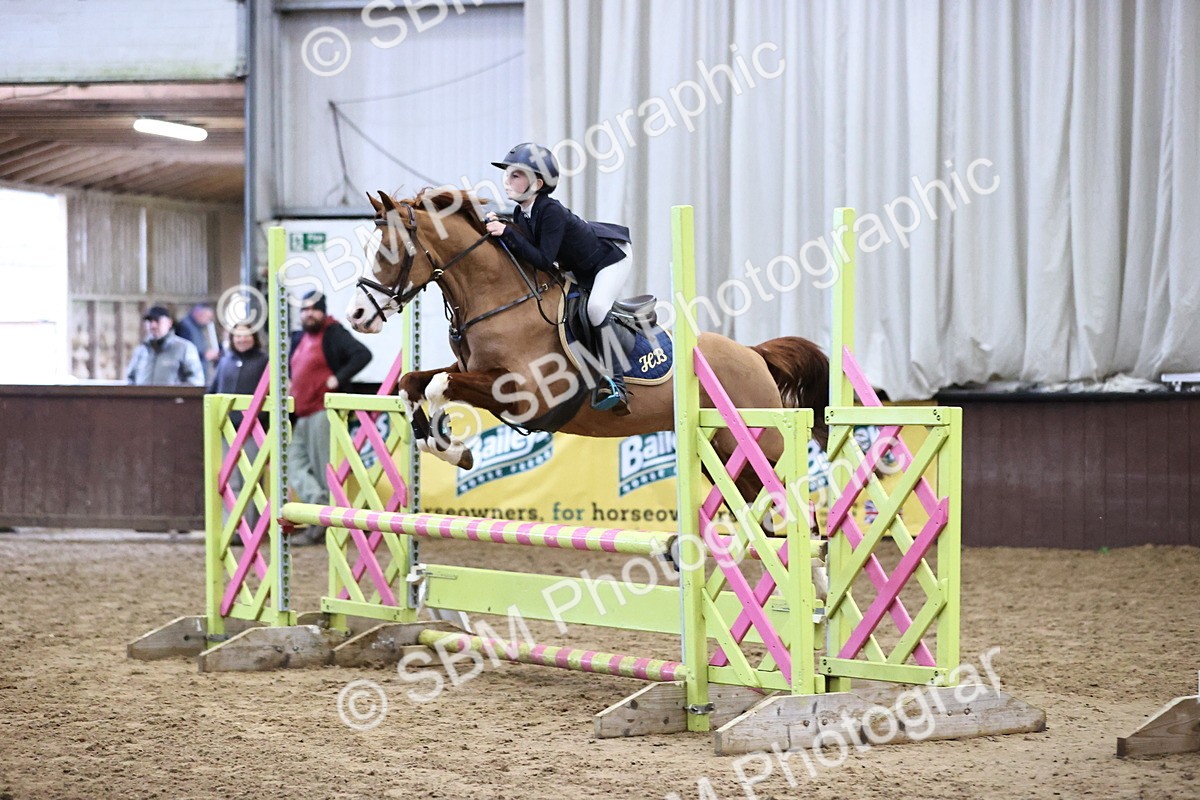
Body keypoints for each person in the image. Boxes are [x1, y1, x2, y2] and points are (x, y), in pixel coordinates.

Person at [484, 142, 632, 415]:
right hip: (578, 265)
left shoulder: (551, 210)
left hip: (609, 259)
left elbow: (542, 259)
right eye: (508, 174)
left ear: (537, 183)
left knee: (596, 308)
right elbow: (525, 249)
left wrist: (506, 232)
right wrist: (502, 228)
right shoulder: (521, 212)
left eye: (516, 175)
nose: (507, 180)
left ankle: (616, 384)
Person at [288, 290, 372, 544]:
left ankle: (323, 524)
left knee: (325, 468)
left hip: (323, 412)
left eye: (313, 308)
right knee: (292, 464)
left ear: (322, 311)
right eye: (304, 309)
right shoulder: (300, 338)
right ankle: (320, 511)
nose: (308, 313)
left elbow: (362, 354)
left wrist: (338, 377)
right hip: (301, 413)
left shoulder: (333, 332)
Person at [209, 323, 270, 535]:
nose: (241, 340)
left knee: (250, 481)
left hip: (254, 430)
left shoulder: (265, 362)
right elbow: (213, 391)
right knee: (230, 480)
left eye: (246, 336)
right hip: (227, 430)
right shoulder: (224, 361)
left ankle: (249, 531)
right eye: (237, 336)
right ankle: (232, 529)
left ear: (254, 338)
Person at [126, 305, 205, 387]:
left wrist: (177, 395)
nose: (153, 325)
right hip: (143, 400)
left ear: (169, 323)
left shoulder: (185, 348)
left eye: (157, 320)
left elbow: (196, 381)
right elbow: (131, 379)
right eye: (149, 321)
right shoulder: (141, 351)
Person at [176, 303, 221, 383]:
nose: (208, 321)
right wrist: (204, 356)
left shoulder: (199, 328)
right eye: (207, 317)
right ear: (198, 313)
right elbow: (184, 354)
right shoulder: (184, 327)